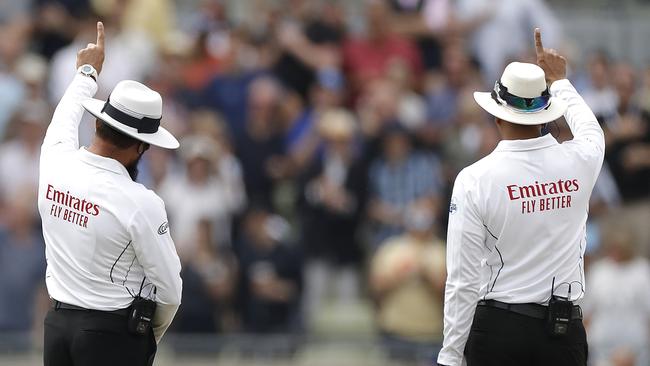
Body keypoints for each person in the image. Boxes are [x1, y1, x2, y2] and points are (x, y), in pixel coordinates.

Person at [437, 29, 604, 366]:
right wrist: (559, 81)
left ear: (497, 114)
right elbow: (591, 129)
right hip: (563, 333)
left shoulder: (475, 180)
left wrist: (451, 355)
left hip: (500, 331)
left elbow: (463, 280)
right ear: (546, 114)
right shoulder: (581, 159)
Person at [38, 22, 182, 366]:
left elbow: (64, 117)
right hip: (111, 334)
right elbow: (170, 291)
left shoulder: (55, 160)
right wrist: (144, 337)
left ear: (97, 123)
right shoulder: (140, 201)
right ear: (140, 147)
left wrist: (87, 73)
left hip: (56, 329)